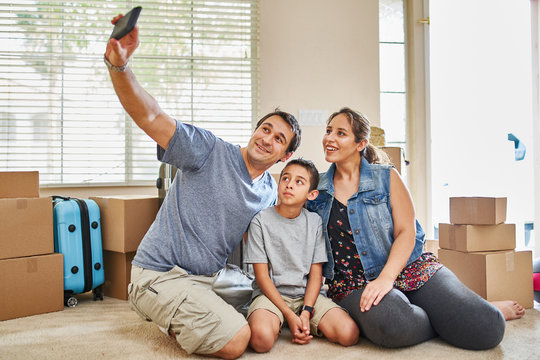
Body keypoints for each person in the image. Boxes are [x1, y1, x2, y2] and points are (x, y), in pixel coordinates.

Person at [104, 14, 302, 359]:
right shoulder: (208, 149)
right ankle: (161, 306)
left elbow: (268, 243)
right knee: (237, 340)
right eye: (265, 129)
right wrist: (119, 66)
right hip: (161, 274)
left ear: (284, 156)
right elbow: (151, 117)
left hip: (213, 278)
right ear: (255, 130)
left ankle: (201, 310)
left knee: (264, 327)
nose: (267, 139)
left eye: (278, 139)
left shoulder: (271, 190)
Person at [306, 107, 525, 350]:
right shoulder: (317, 189)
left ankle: (480, 309)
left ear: (360, 144)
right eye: (328, 131)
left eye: (340, 133)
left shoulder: (387, 177)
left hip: (410, 267)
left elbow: (406, 232)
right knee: (394, 326)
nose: (330, 138)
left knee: (488, 327)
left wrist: (386, 278)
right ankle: (445, 319)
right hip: (353, 282)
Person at [244, 159, 359, 352]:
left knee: (349, 334)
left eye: (299, 182)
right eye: (285, 178)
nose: (289, 184)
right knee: (260, 341)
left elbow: (316, 275)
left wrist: (306, 312)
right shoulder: (260, 221)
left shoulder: (314, 222)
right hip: (271, 296)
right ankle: (279, 319)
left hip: (308, 297)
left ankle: (297, 320)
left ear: (312, 194)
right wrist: (289, 314)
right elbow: (262, 277)